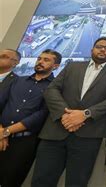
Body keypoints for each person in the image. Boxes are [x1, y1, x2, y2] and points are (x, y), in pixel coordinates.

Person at [31, 37, 106, 187]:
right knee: (42, 180)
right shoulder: (72, 66)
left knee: (77, 182)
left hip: (88, 136)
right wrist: (66, 114)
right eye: (99, 46)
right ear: (91, 50)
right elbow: (52, 89)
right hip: (55, 132)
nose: (103, 49)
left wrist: (84, 114)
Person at [0, 49, 61, 187]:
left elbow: (41, 115)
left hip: (24, 143)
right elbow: (1, 104)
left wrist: (6, 131)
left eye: (46, 60)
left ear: (56, 66)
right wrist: (2, 132)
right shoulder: (17, 81)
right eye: (39, 58)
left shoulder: (55, 87)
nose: (40, 62)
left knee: (10, 180)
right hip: (0, 135)